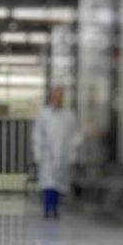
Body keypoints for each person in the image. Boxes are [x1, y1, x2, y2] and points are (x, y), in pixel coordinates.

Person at [32, 87, 80, 218]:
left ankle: (55, 208)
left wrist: (72, 153)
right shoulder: (44, 115)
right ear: (52, 97)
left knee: (59, 183)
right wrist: (38, 153)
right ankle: (47, 209)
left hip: (63, 154)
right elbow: (37, 134)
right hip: (47, 154)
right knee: (48, 182)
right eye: (56, 96)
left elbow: (75, 135)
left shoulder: (69, 116)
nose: (58, 99)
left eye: (60, 96)